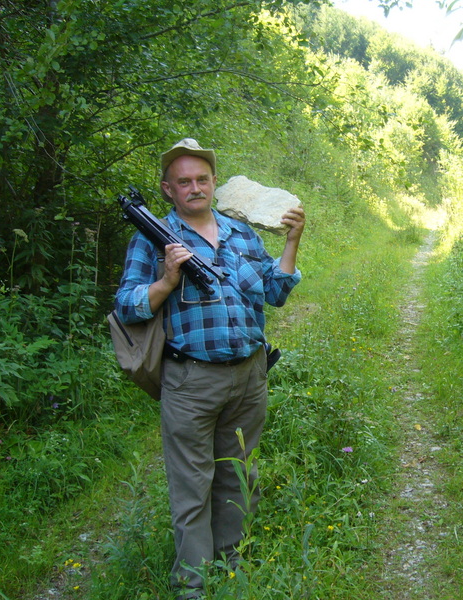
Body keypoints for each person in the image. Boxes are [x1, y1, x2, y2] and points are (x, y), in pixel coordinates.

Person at [114, 138, 305, 598]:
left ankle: (233, 567)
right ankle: (193, 586)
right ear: (167, 190)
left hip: (250, 375)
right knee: (191, 487)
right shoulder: (151, 238)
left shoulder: (242, 234)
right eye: (184, 182)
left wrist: (293, 240)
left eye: (202, 179)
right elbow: (127, 306)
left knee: (239, 476)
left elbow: (276, 293)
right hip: (190, 381)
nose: (195, 188)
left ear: (214, 183)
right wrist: (166, 280)